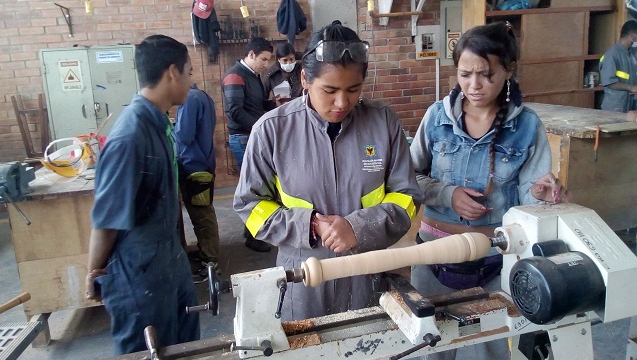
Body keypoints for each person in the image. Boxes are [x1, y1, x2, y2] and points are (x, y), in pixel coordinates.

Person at [233, 20, 422, 321]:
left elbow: (406, 197)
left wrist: (358, 227)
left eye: (354, 89)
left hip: (367, 274)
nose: (342, 102)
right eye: (329, 90)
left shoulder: (383, 123)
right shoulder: (272, 131)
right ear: (305, 78)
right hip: (303, 279)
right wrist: (309, 225)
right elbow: (250, 206)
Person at [409, 22, 569, 360]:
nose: (474, 85)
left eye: (486, 74)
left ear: (508, 70)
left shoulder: (527, 127)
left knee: (490, 349)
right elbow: (408, 178)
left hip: (495, 263)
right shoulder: (437, 118)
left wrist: (545, 196)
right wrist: (446, 194)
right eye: (465, 74)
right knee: (428, 346)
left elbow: (530, 199)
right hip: (433, 259)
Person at [84, 35, 199, 355]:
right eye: (189, 72)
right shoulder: (130, 136)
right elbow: (106, 221)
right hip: (139, 277)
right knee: (147, 350)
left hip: (167, 264)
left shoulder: (159, 123)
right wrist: (94, 272)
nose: (192, 80)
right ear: (172, 72)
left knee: (183, 348)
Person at [222, 36, 275, 253]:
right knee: (254, 188)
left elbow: (255, 104)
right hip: (244, 137)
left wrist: (274, 105)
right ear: (251, 54)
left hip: (252, 134)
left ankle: (252, 231)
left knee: (259, 184)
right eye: (263, 59)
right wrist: (261, 125)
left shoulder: (253, 76)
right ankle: (253, 236)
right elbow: (235, 111)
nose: (266, 64)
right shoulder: (235, 76)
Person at [174, 83, 220, 283]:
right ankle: (205, 254)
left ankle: (210, 263)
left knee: (202, 216)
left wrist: (169, 127)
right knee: (201, 214)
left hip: (194, 166)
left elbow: (184, 136)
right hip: (200, 164)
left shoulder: (190, 99)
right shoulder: (203, 96)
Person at [600, 20, 637, 112]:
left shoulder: (632, 53)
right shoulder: (612, 55)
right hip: (615, 107)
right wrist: (632, 87)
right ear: (632, 36)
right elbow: (610, 83)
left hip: (631, 106)